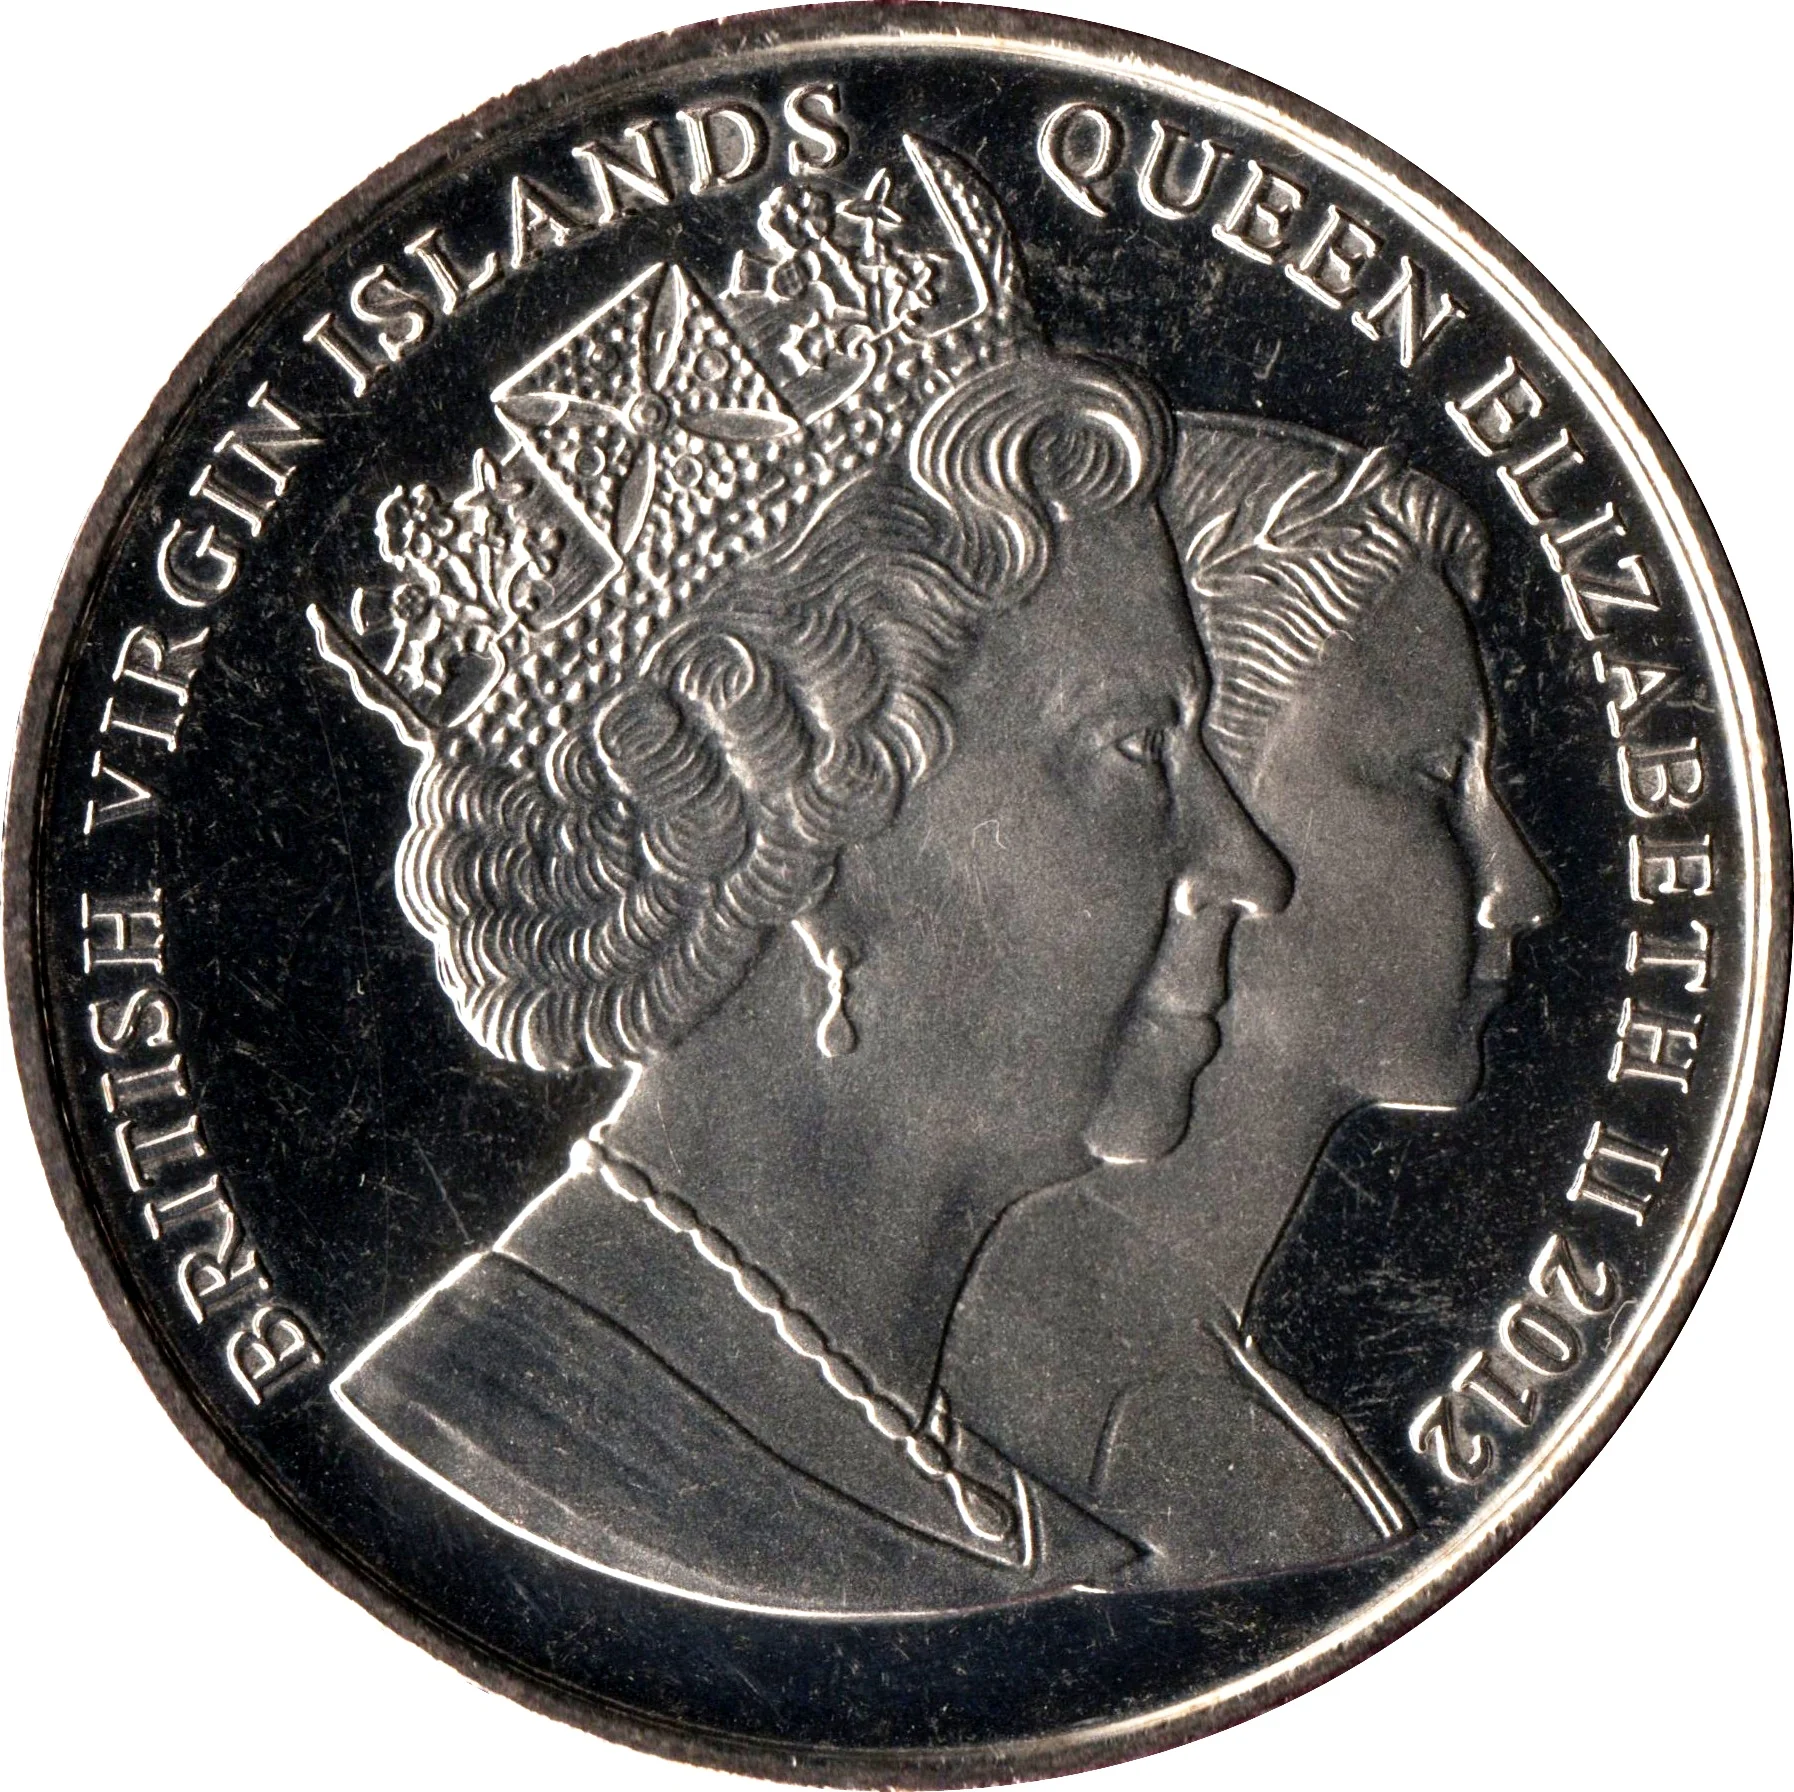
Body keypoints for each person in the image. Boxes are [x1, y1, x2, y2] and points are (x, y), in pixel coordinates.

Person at [312, 142, 1287, 1617]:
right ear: (814, 854)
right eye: (1133, 746)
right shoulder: (538, 1417)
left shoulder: (983, 1498)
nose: (1246, 867)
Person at [939, 413, 1556, 1588]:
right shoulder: (1142, 1433)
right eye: (1433, 782)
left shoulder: (1202, 1403)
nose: (1517, 893)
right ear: (1203, 813)